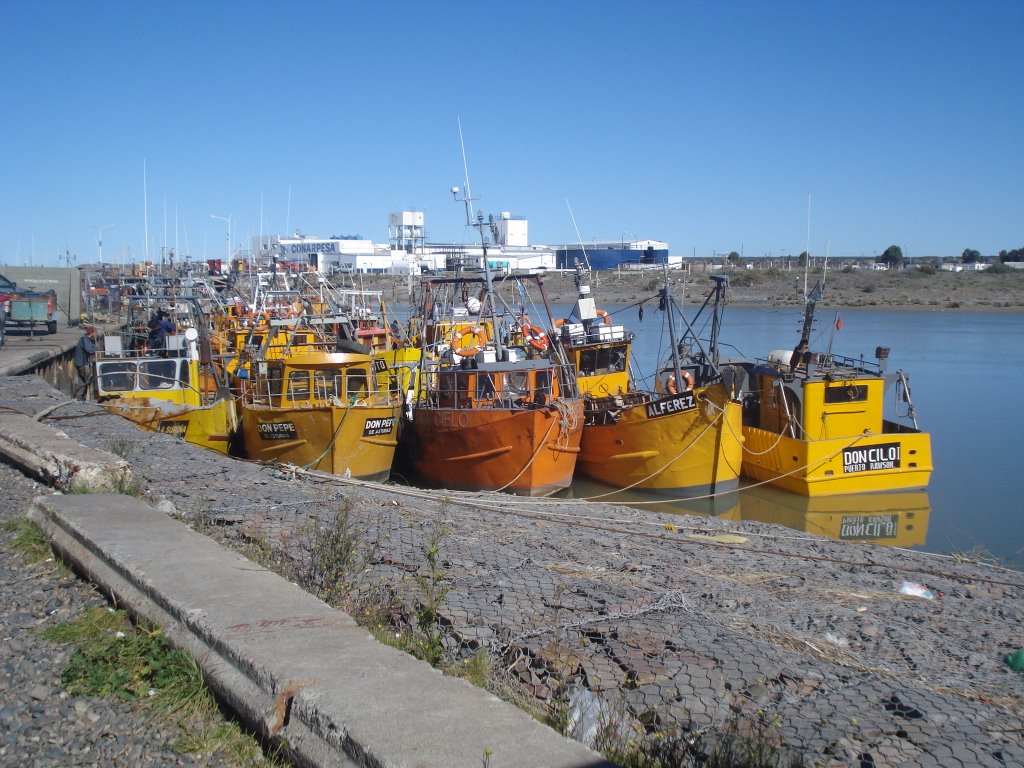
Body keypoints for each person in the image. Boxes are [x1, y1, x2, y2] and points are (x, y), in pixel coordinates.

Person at [73, 325, 97, 397]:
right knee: (89, 377)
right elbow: (89, 350)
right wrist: (95, 348)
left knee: (82, 380)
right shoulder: (84, 339)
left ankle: (79, 395)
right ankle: (92, 396)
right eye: (95, 333)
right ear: (91, 333)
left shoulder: (89, 339)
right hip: (81, 362)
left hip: (83, 362)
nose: (96, 334)